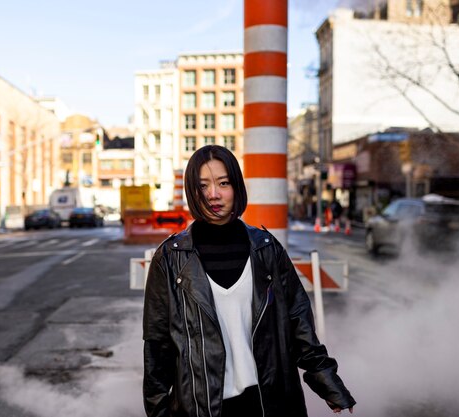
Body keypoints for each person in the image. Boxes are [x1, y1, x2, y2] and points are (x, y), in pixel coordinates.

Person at [143, 145, 355, 417]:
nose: (213, 194)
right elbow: (156, 346)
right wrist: (158, 411)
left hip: (269, 401)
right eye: (202, 186)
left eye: (223, 183)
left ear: (237, 187)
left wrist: (327, 381)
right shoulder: (170, 259)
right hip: (202, 406)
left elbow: (298, 322)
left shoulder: (266, 249)